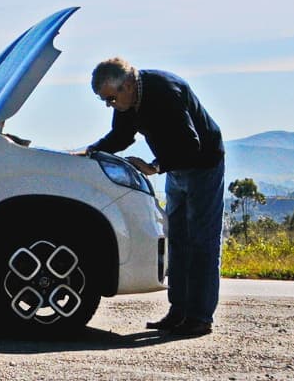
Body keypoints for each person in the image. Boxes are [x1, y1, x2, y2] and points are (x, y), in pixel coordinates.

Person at [82, 58, 225, 337]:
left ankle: (200, 317)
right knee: (178, 239)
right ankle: (179, 311)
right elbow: (121, 136)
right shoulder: (127, 101)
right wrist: (90, 151)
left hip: (203, 165)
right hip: (175, 166)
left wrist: (156, 166)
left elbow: (191, 144)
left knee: (201, 241)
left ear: (127, 85)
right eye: (104, 101)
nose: (110, 105)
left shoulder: (164, 92)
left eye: (111, 99)